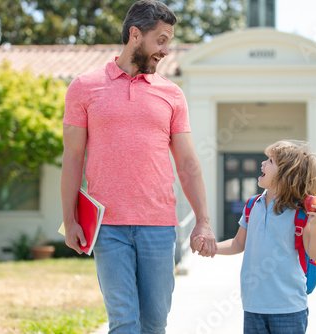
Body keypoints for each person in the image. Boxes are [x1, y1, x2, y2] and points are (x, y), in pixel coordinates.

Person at [60, 1, 217, 333]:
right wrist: (69, 219)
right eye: (160, 40)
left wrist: (202, 221)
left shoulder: (172, 95)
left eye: (168, 42)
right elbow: (73, 157)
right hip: (107, 227)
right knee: (124, 321)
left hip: (159, 227)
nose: (165, 50)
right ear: (135, 34)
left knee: (155, 322)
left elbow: (187, 163)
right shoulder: (84, 87)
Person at [194, 140, 316, 334]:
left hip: (289, 309)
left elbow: (315, 253)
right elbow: (238, 243)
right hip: (254, 306)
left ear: (286, 173)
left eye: (270, 161)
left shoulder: (299, 212)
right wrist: (210, 247)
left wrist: (314, 224)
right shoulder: (252, 205)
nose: (262, 164)